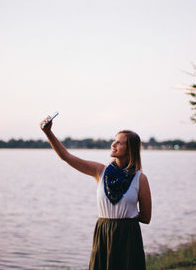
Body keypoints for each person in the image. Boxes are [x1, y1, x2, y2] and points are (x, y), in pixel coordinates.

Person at [40, 115, 152, 270]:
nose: (113, 144)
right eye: (114, 140)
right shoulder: (100, 171)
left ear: (130, 149)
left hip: (128, 236)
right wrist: (48, 133)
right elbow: (66, 157)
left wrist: (125, 219)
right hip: (103, 233)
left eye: (119, 142)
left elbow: (146, 218)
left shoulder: (140, 178)